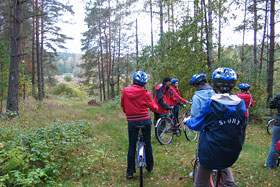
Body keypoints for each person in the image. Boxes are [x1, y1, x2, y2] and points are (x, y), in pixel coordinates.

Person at [184, 67, 247, 187]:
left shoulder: (211, 104)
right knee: (224, 161)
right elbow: (243, 127)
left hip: (210, 153)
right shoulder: (241, 104)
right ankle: (230, 183)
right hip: (233, 151)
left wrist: (187, 121)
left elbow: (197, 124)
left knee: (200, 182)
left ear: (214, 85)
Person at [121, 71, 159, 179]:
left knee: (132, 146)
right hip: (145, 121)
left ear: (133, 80)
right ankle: (150, 166)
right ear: (144, 83)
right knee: (147, 143)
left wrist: (129, 114)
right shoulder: (146, 93)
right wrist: (155, 108)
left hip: (132, 121)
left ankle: (130, 172)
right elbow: (154, 108)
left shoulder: (125, 91)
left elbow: (123, 105)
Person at [265, 94, 280, 169]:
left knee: (274, 144)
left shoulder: (279, 97)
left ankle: (270, 164)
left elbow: (271, 105)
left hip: (278, 124)